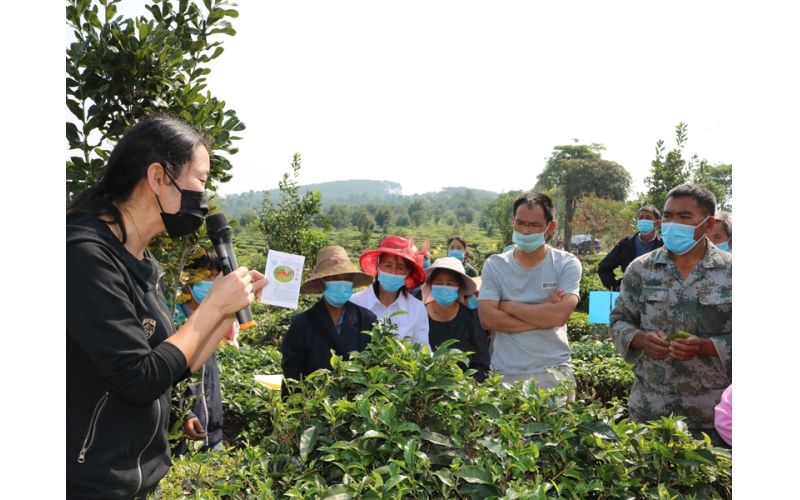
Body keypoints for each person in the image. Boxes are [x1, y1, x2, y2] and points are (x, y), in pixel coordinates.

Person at [66, 115, 268, 499]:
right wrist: (210, 306)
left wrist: (225, 311)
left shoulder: (144, 262)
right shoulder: (83, 256)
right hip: (86, 483)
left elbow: (177, 363)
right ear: (158, 177)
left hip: (138, 481)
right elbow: (138, 379)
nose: (204, 197)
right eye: (202, 180)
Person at [609, 184, 732, 447]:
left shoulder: (733, 272)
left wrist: (707, 347)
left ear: (709, 224)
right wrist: (642, 339)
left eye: (684, 217)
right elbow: (619, 319)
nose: (672, 223)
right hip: (648, 411)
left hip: (713, 416)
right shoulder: (641, 269)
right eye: (667, 216)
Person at [478, 192, 582, 390]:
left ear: (550, 227)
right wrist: (543, 313)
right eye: (520, 223)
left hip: (554, 372)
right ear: (513, 221)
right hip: (506, 372)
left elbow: (559, 316)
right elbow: (488, 319)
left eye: (534, 225)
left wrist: (508, 306)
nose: (525, 232)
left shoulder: (566, 264)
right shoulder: (495, 265)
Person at [281, 246, 377, 387]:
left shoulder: (368, 320)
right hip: (315, 403)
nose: (342, 283)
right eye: (335, 278)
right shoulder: (301, 324)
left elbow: (375, 369)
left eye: (347, 278)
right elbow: (292, 375)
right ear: (321, 283)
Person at [176, 249, 233, 452]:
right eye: (207, 276)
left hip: (212, 431)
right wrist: (182, 415)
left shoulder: (212, 320)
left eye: (217, 277)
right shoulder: (172, 320)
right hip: (181, 435)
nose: (212, 282)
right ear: (187, 277)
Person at [350, 236, 430, 348]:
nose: (393, 272)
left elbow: (422, 351)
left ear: (408, 272)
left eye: (400, 267)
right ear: (378, 266)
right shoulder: (355, 302)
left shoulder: (416, 308)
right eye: (388, 265)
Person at [421, 258, 490, 381]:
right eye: (439, 282)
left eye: (450, 283)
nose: (444, 287)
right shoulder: (419, 315)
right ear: (431, 285)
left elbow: (482, 364)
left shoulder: (471, 318)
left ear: (459, 287)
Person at [597, 205, 664, 291]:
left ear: (657, 223)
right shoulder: (626, 244)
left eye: (648, 218)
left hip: (657, 295)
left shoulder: (664, 245)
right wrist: (616, 287)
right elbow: (604, 268)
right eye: (641, 218)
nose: (644, 220)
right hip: (630, 295)